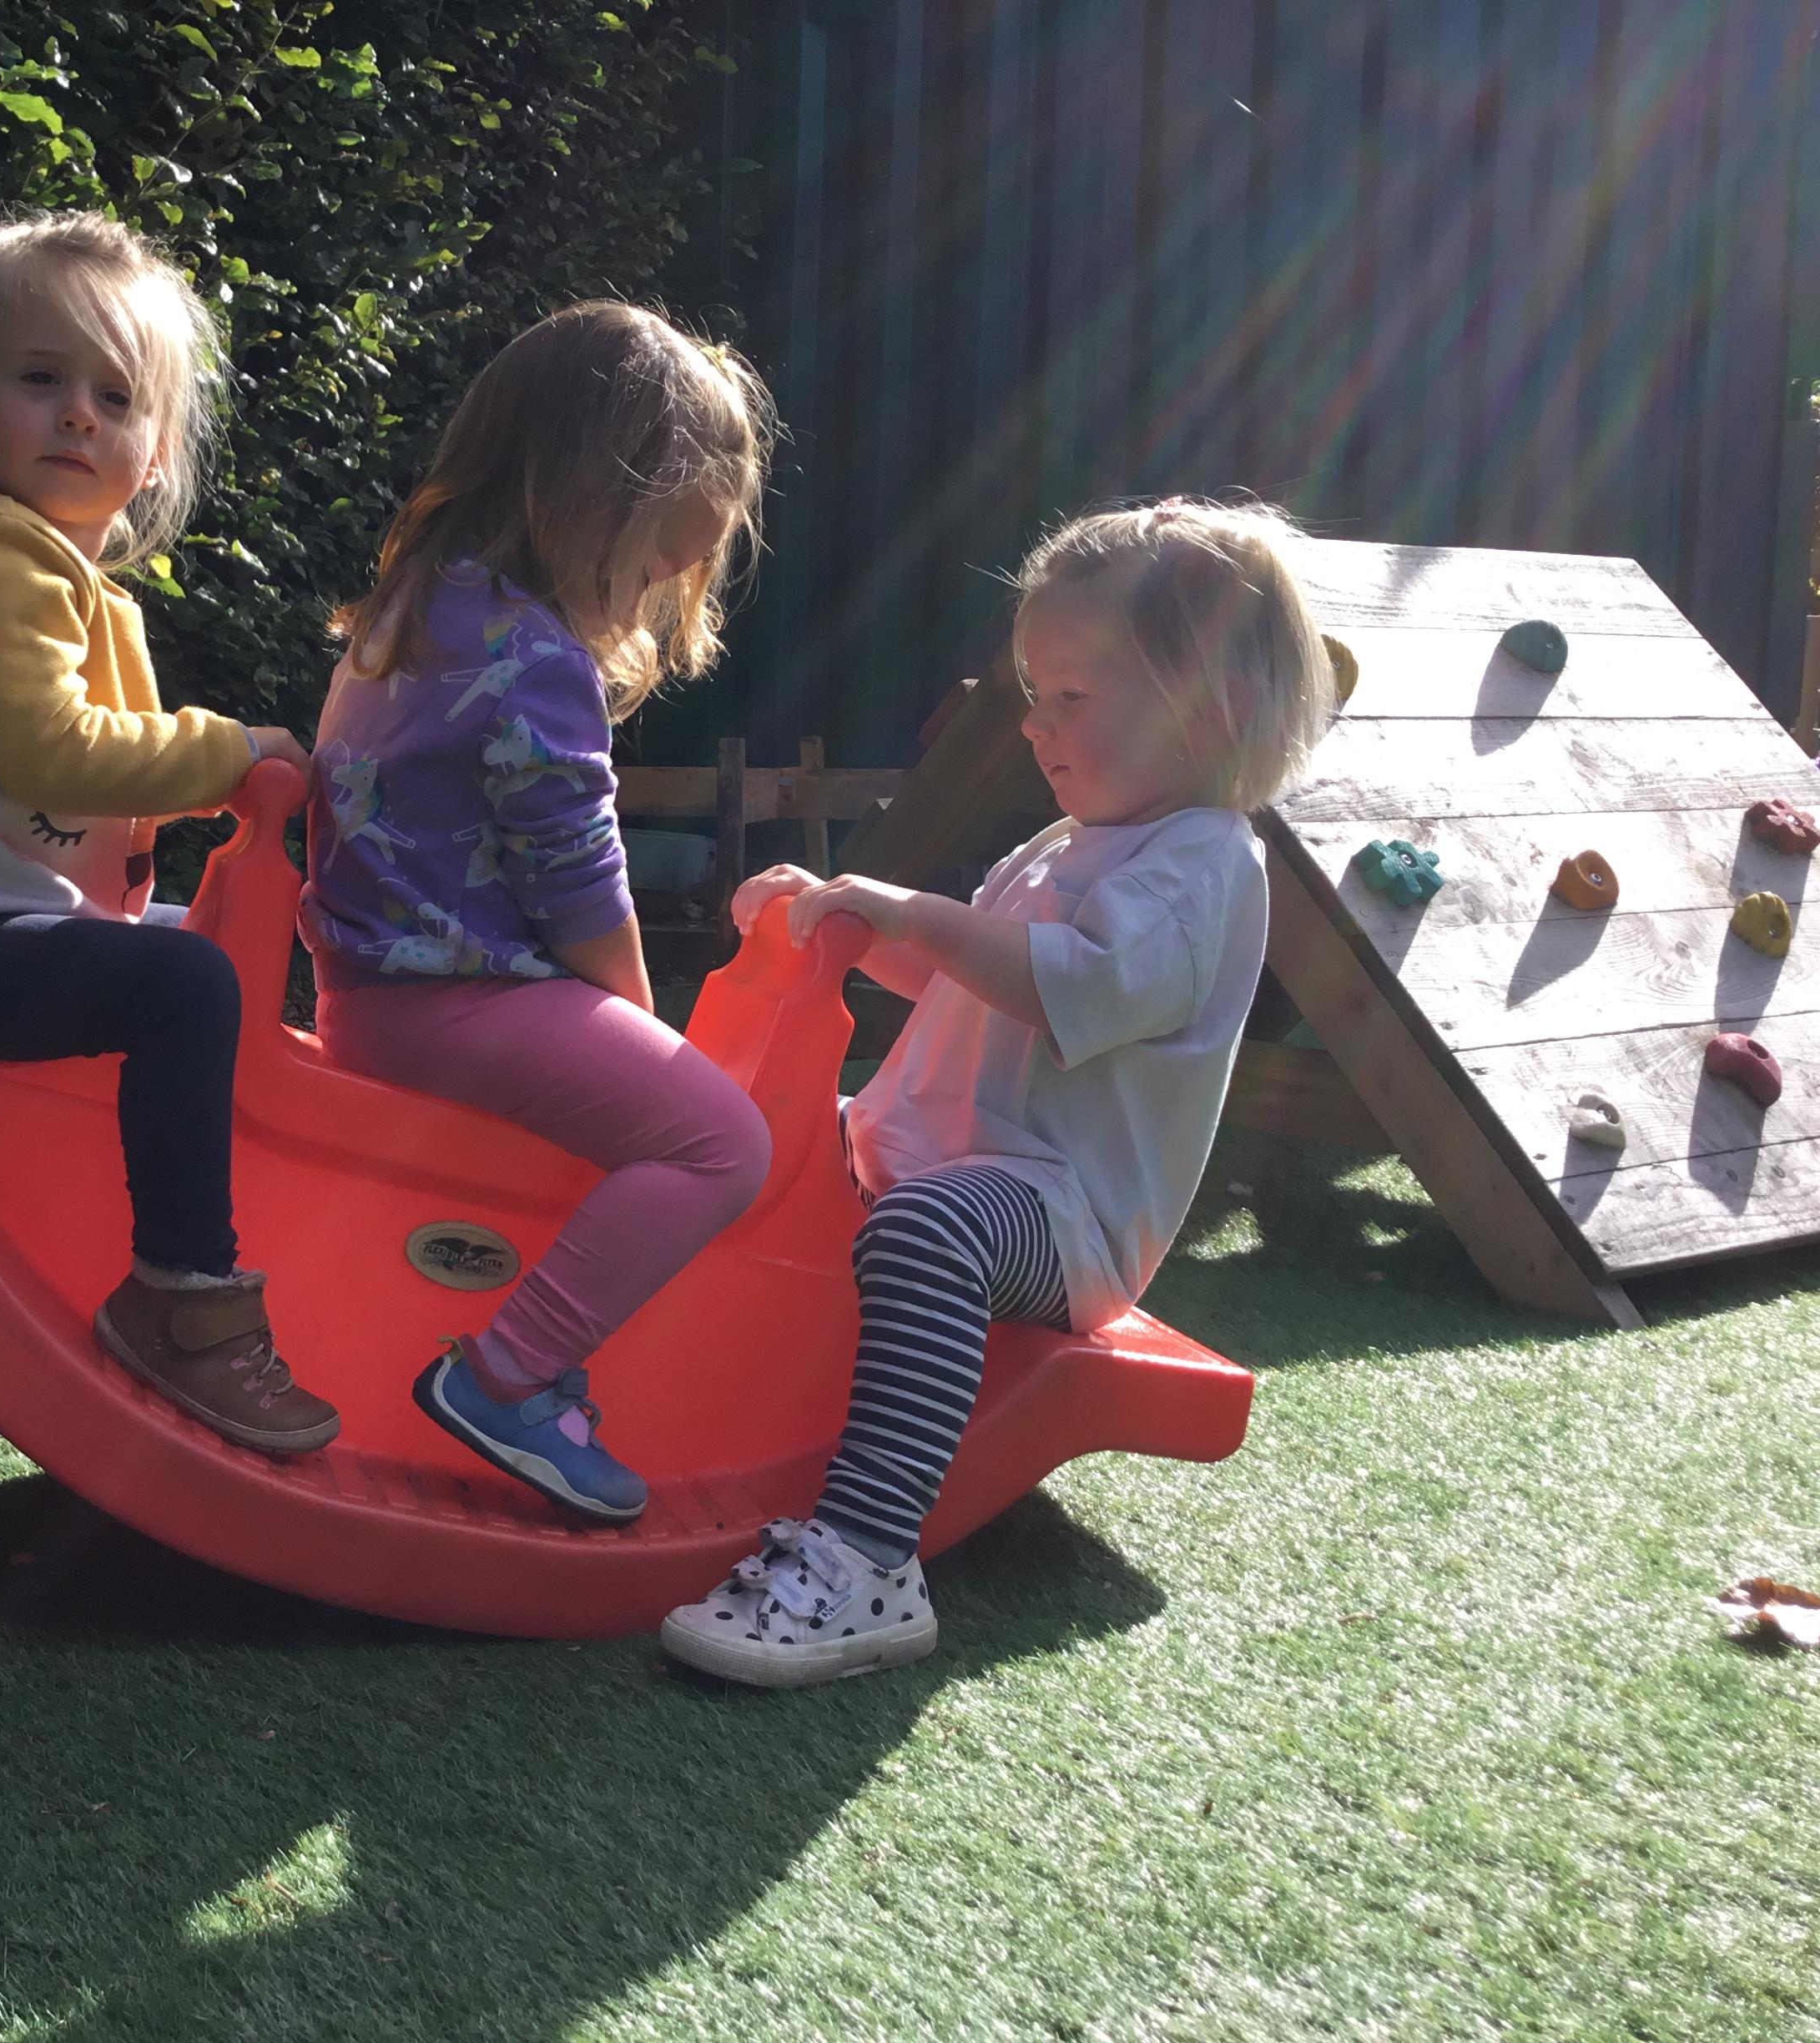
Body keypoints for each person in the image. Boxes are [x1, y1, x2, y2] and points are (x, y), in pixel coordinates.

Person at [662, 498, 1339, 1684]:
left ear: (1210, 706)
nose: (1035, 722)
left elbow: (1062, 983)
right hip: (932, 1154)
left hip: (1061, 1216)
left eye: (1071, 695)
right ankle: (663, 1397)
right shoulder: (1068, 844)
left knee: (930, 1231)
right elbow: (957, 975)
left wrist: (912, 910)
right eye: (1036, 692)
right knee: (740, 1143)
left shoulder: (1204, 868)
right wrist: (846, 923)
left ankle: (868, 1562)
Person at [0, 212, 340, 1455]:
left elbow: (72, 793)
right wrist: (234, 752)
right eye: (42, 379)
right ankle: (185, 1303)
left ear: (156, 448)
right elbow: (55, 754)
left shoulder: (62, 580)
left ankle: (206, 1206)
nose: (79, 416)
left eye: (116, 395)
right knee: (186, 984)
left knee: (198, 956)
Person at [300, 302, 776, 1522]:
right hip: (456, 1002)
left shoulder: (419, 609)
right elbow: (578, 882)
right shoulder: (531, 656)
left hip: (372, 993)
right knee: (723, 1142)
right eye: (655, 558)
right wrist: (642, 1024)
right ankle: (506, 1377)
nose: (657, 587)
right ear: (591, 499)